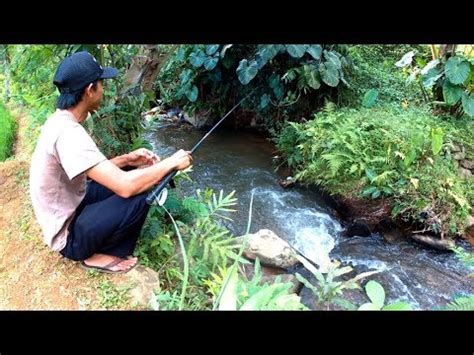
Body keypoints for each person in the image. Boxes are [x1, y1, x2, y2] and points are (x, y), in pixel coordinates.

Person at [29, 51, 192, 274]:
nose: (103, 90)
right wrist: (171, 163)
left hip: (71, 205)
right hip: (68, 237)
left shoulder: (60, 121)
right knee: (142, 191)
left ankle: (100, 236)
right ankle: (98, 253)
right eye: (101, 84)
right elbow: (125, 187)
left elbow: (85, 172)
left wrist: (128, 159)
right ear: (89, 90)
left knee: (131, 169)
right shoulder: (68, 133)